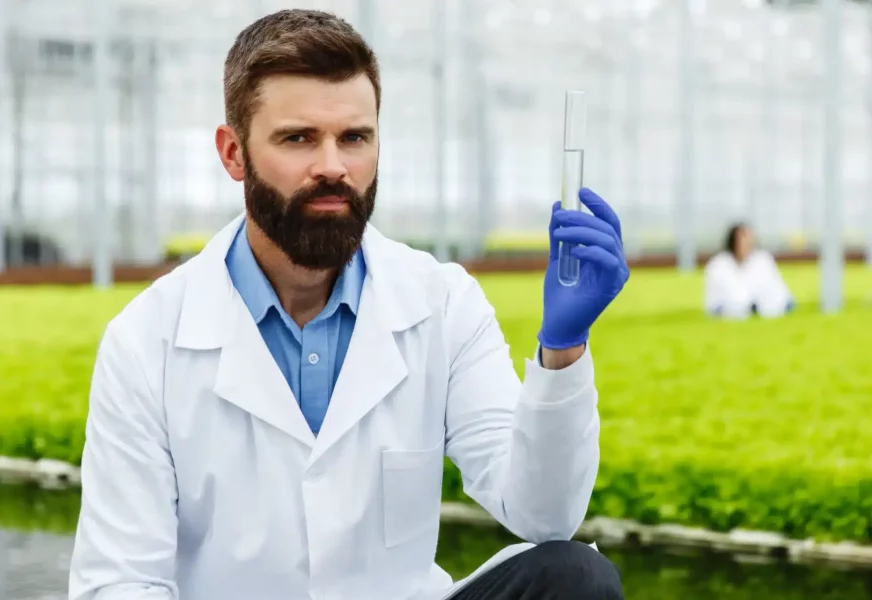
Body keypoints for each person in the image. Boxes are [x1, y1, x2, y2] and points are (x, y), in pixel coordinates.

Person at [67, 9, 630, 600]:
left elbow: (542, 515)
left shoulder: (441, 303)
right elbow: (119, 582)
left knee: (573, 579)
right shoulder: (147, 340)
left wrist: (563, 348)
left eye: (354, 138)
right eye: (298, 138)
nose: (333, 166)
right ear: (233, 153)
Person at [704, 222, 794, 319]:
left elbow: (777, 292)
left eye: (749, 238)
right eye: (742, 238)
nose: (747, 242)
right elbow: (716, 300)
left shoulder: (763, 260)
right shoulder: (718, 265)